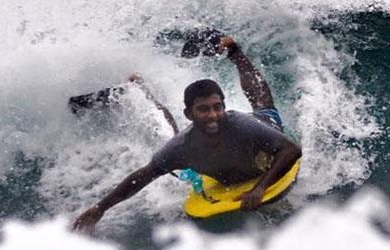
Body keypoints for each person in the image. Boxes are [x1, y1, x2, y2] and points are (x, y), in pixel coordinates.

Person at [72, 36, 302, 233]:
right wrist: (100, 208)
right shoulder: (181, 146)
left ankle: (235, 52)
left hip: (263, 129)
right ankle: (141, 91)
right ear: (189, 114)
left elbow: (291, 150)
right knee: (170, 135)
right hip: (211, 159)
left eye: (217, 107)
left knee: (263, 105)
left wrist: (260, 188)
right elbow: (143, 176)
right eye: (203, 109)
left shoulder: (241, 124)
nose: (213, 115)